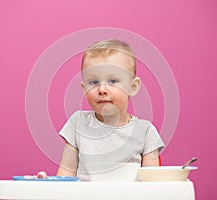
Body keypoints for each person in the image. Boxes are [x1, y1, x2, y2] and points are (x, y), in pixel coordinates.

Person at [56, 39, 164, 181]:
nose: (102, 89)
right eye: (93, 82)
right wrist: (50, 186)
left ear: (133, 87)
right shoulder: (77, 124)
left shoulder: (146, 132)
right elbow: (66, 173)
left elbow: (153, 183)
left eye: (112, 81)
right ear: (84, 89)